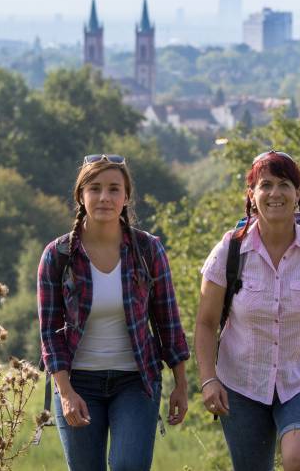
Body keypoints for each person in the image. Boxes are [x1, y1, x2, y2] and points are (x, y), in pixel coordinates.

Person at [195, 151, 300, 471]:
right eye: (265, 185)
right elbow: (205, 322)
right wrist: (208, 380)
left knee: (299, 462)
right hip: (240, 384)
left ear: (298, 195)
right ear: (252, 196)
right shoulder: (229, 251)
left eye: (284, 184)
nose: (275, 193)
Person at [38, 154, 190, 471]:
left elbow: (168, 321)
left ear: (126, 197)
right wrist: (65, 392)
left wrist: (181, 384)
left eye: (113, 189)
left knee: (129, 465)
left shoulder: (148, 250)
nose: (104, 197)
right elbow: (50, 333)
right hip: (78, 382)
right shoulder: (58, 255)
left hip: (136, 381)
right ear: (81, 195)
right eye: (95, 188)